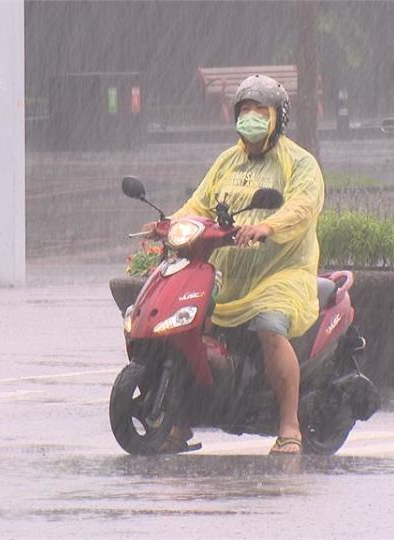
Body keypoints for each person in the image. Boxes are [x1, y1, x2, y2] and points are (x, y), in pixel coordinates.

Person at [151, 75, 325, 455]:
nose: (250, 117)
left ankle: (290, 426)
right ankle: (179, 422)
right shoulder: (226, 162)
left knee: (268, 326)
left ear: (278, 117)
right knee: (183, 328)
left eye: (259, 110)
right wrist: (168, 227)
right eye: (244, 110)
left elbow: (302, 208)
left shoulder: (300, 163)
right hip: (227, 276)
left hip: (281, 273)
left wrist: (267, 226)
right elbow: (199, 205)